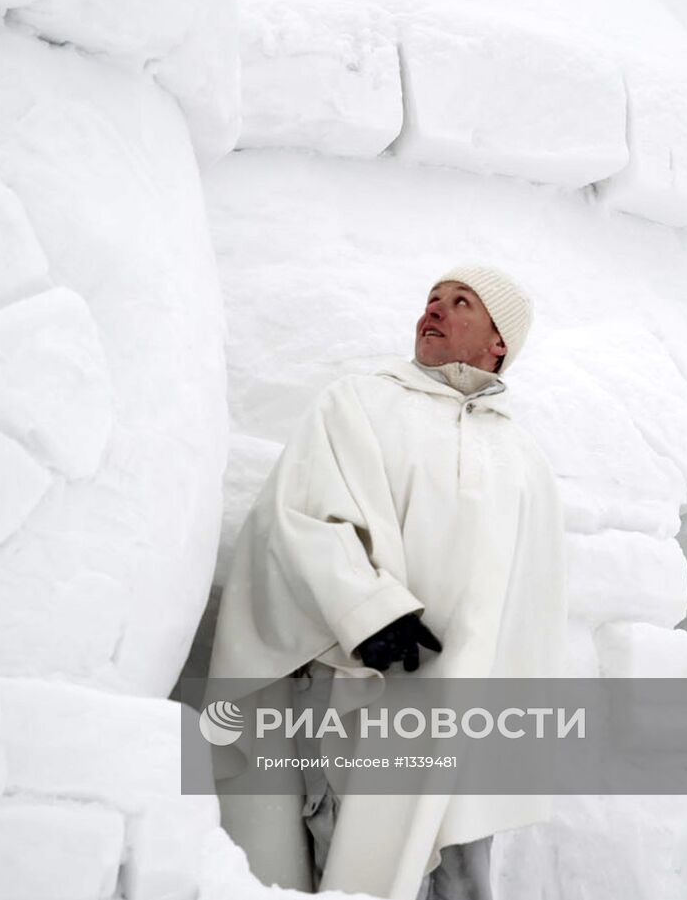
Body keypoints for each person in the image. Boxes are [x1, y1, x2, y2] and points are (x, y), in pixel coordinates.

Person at [206, 263, 567, 900]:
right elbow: (301, 513)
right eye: (432, 298)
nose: (435, 309)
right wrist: (369, 611)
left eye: (461, 303)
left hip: (466, 708)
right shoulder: (361, 401)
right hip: (366, 673)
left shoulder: (523, 458)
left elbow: (528, 602)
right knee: (348, 852)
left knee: (458, 869)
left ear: (499, 342)